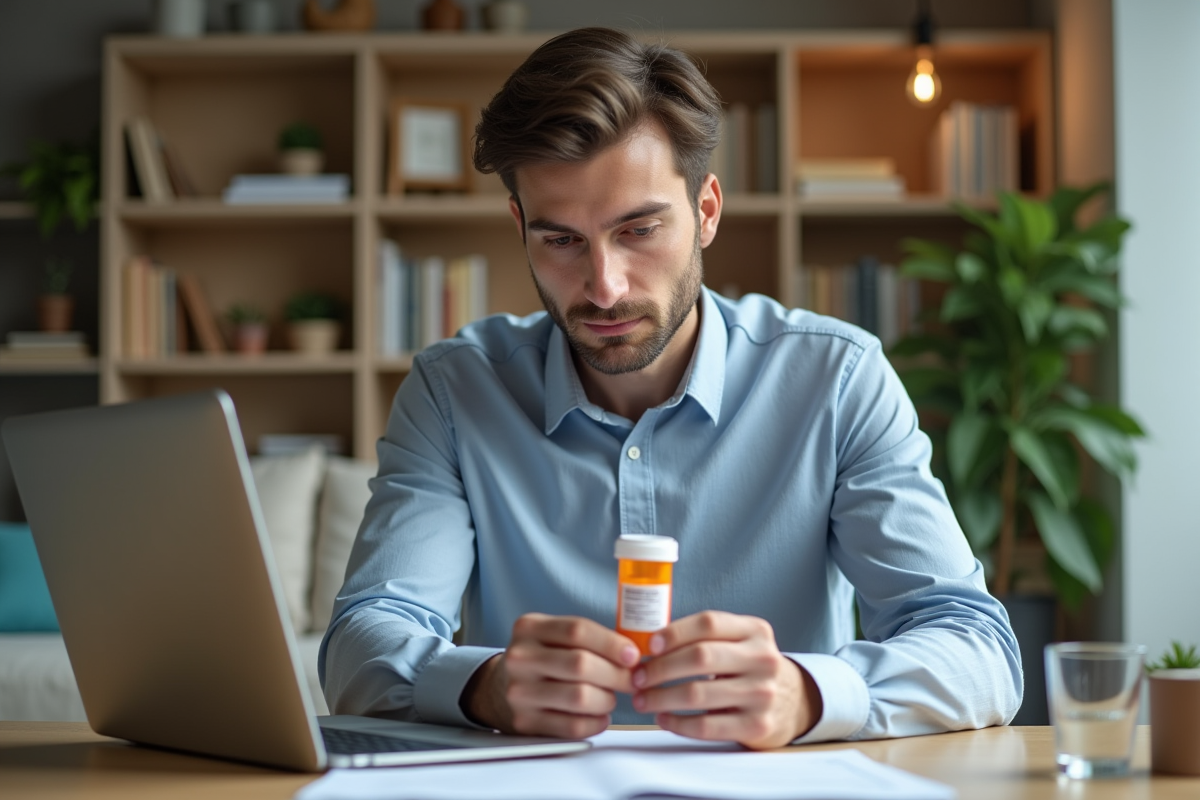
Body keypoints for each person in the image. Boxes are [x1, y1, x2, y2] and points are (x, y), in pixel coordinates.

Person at [319, 27, 1021, 750]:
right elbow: (361, 646)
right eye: (560, 240)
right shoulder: (454, 390)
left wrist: (809, 695)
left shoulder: (837, 380)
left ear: (707, 211)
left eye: (639, 229)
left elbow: (977, 648)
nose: (604, 286)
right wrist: (481, 685)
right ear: (519, 225)